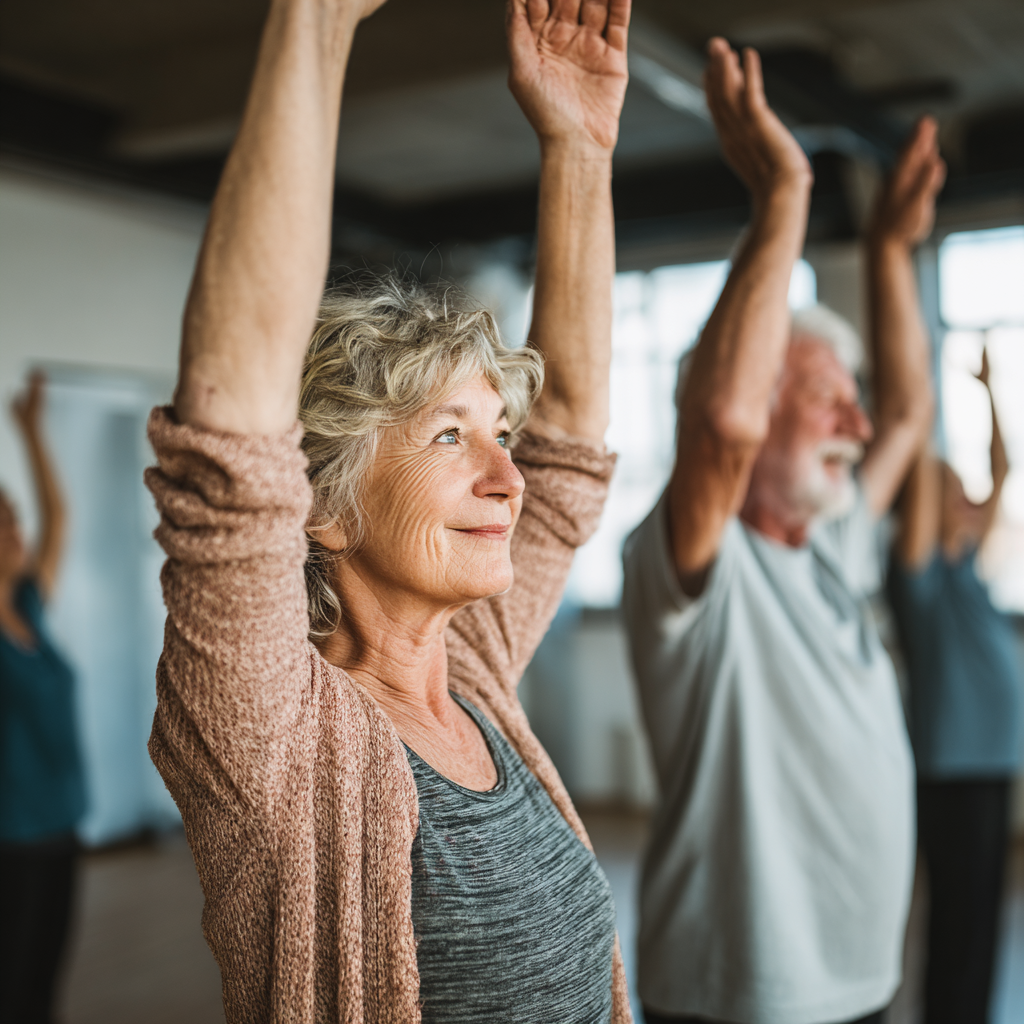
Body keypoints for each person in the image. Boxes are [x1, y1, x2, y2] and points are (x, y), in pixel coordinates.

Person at [144, 0, 634, 1020]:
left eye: (499, 433)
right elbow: (230, 429)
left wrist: (579, 148)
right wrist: (313, 21)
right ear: (320, 504)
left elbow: (572, 448)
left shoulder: (475, 673)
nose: (509, 476)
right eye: (449, 435)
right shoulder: (273, 733)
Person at [621, 37, 946, 1024]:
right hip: (746, 999)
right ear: (758, 409)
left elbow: (907, 417)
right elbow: (716, 423)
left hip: (863, 982)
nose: (855, 424)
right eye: (823, 399)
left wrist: (889, 251)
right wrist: (784, 199)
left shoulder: (833, 545)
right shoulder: (694, 569)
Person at [887, 346, 1022, 1024]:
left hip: (991, 757)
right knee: (958, 912)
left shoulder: (963, 559)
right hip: (953, 762)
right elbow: (924, 486)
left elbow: (1003, 470)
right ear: (923, 506)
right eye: (950, 489)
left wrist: (992, 391)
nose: (970, 495)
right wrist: (922, 413)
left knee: (985, 910)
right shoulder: (917, 574)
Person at [0, 372, 87, 1024]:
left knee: (43, 985)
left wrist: (30, 430)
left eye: (12, 519)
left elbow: (60, 517)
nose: (15, 533)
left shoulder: (28, 605)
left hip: (61, 825)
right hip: (10, 839)